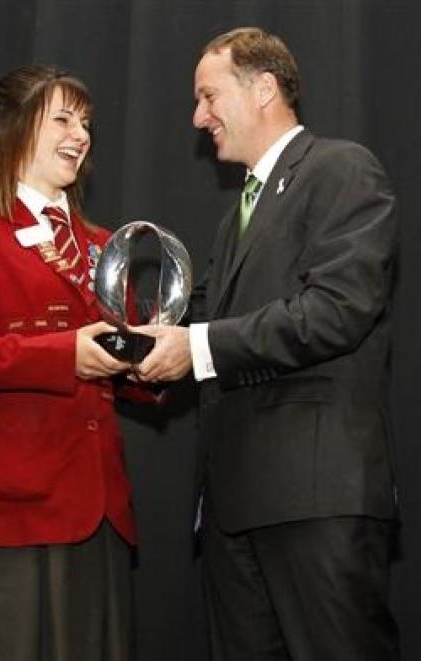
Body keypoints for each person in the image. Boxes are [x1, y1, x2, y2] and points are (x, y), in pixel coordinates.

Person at [134, 27, 400, 660]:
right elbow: (212, 324)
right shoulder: (234, 218)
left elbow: (336, 310)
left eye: (207, 96)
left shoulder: (342, 169)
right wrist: (139, 345)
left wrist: (196, 347)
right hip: (231, 509)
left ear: (263, 88)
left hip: (314, 497)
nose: (198, 118)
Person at [0, 65, 145, 660]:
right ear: (16, 127)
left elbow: (128, 364)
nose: (82, 135)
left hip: (98, 512)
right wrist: (65, 355)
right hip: (8, 515)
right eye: (64, 119)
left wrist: (151, 359)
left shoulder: (103, 245)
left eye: (88, 123)